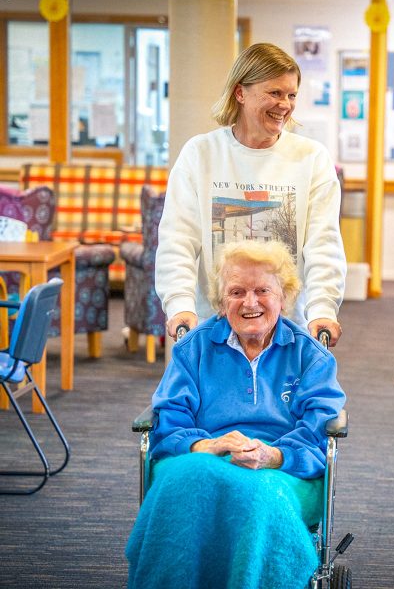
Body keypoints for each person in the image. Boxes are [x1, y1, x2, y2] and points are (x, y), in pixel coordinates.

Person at [127, 240, 346, 589]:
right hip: (202, 456)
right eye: (237, 291)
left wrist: (272, 455)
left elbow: (318, 433)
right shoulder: (193, 350)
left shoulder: (311, 357)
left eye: (263, 290)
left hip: (281, 468)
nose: (250, 302)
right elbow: (169, 420)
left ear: (284, 297)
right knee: (187, 481)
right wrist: (207, 446)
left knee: (259, 497)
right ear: (220, 300)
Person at [155, 42, 346, 347]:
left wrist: (323, 308)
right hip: (215, 328)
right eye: (274, 93)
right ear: (240, 93)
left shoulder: (312, 158)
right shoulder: (201, 153)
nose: (284, 104)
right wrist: (179, 304)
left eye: (291, 94)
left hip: (288, 330)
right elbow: (177, 240)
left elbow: (324, 244)